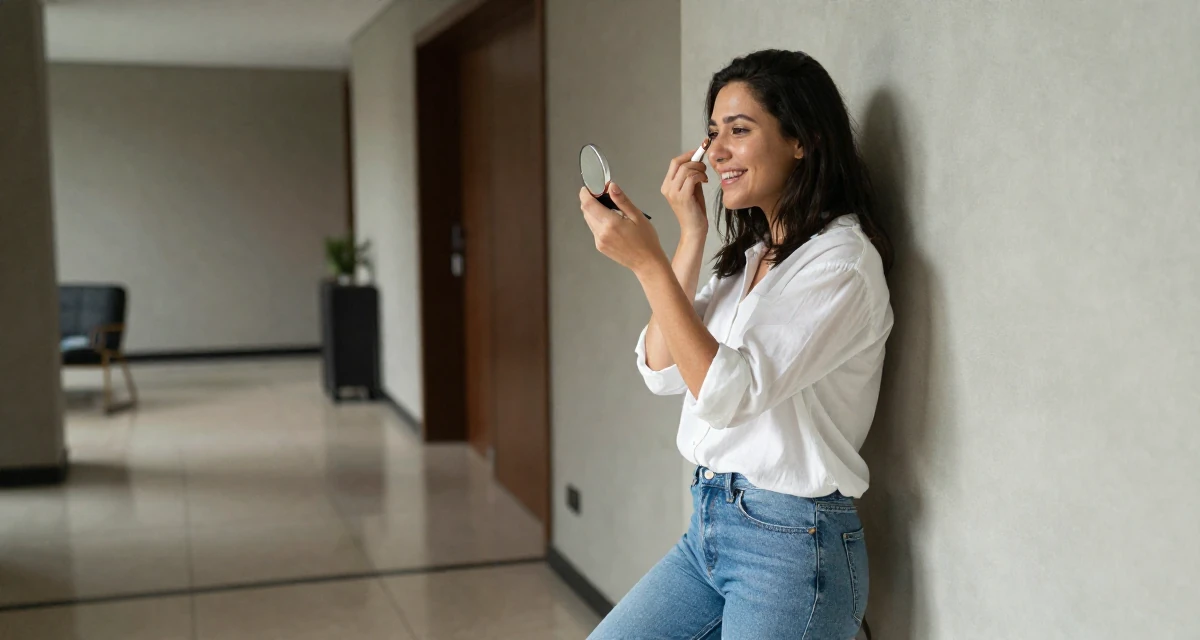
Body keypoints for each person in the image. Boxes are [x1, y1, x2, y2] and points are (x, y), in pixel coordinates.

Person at [578, 49, 894, 639]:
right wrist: (689, 235)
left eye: (739, 130)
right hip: (709, 530)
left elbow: (725, 395)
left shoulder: (842, 266)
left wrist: (647, 265)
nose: (716, 150)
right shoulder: (746, 261)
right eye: (712, 133)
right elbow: (661, 367)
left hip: (792, 546)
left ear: (803, 140)